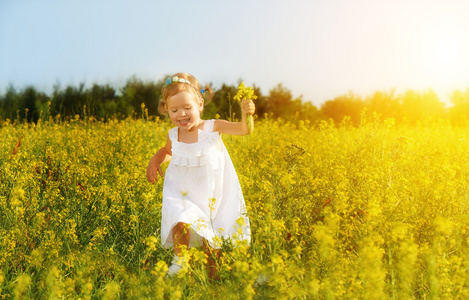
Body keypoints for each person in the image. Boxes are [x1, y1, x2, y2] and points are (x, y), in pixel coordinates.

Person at [146, 73, 254, 279]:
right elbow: (169, 152)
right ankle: (180, 261)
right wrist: (155, 160)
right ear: (166, 110)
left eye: (187, 108)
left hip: (210, 195)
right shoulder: (173, 134)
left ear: (200, 104)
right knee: (178, 219)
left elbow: (244, 129)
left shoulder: (213, 127)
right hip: (180, 190)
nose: (182, 114)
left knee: (210, 238)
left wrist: (246, 113)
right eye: (175, 110)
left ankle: (212, 276)